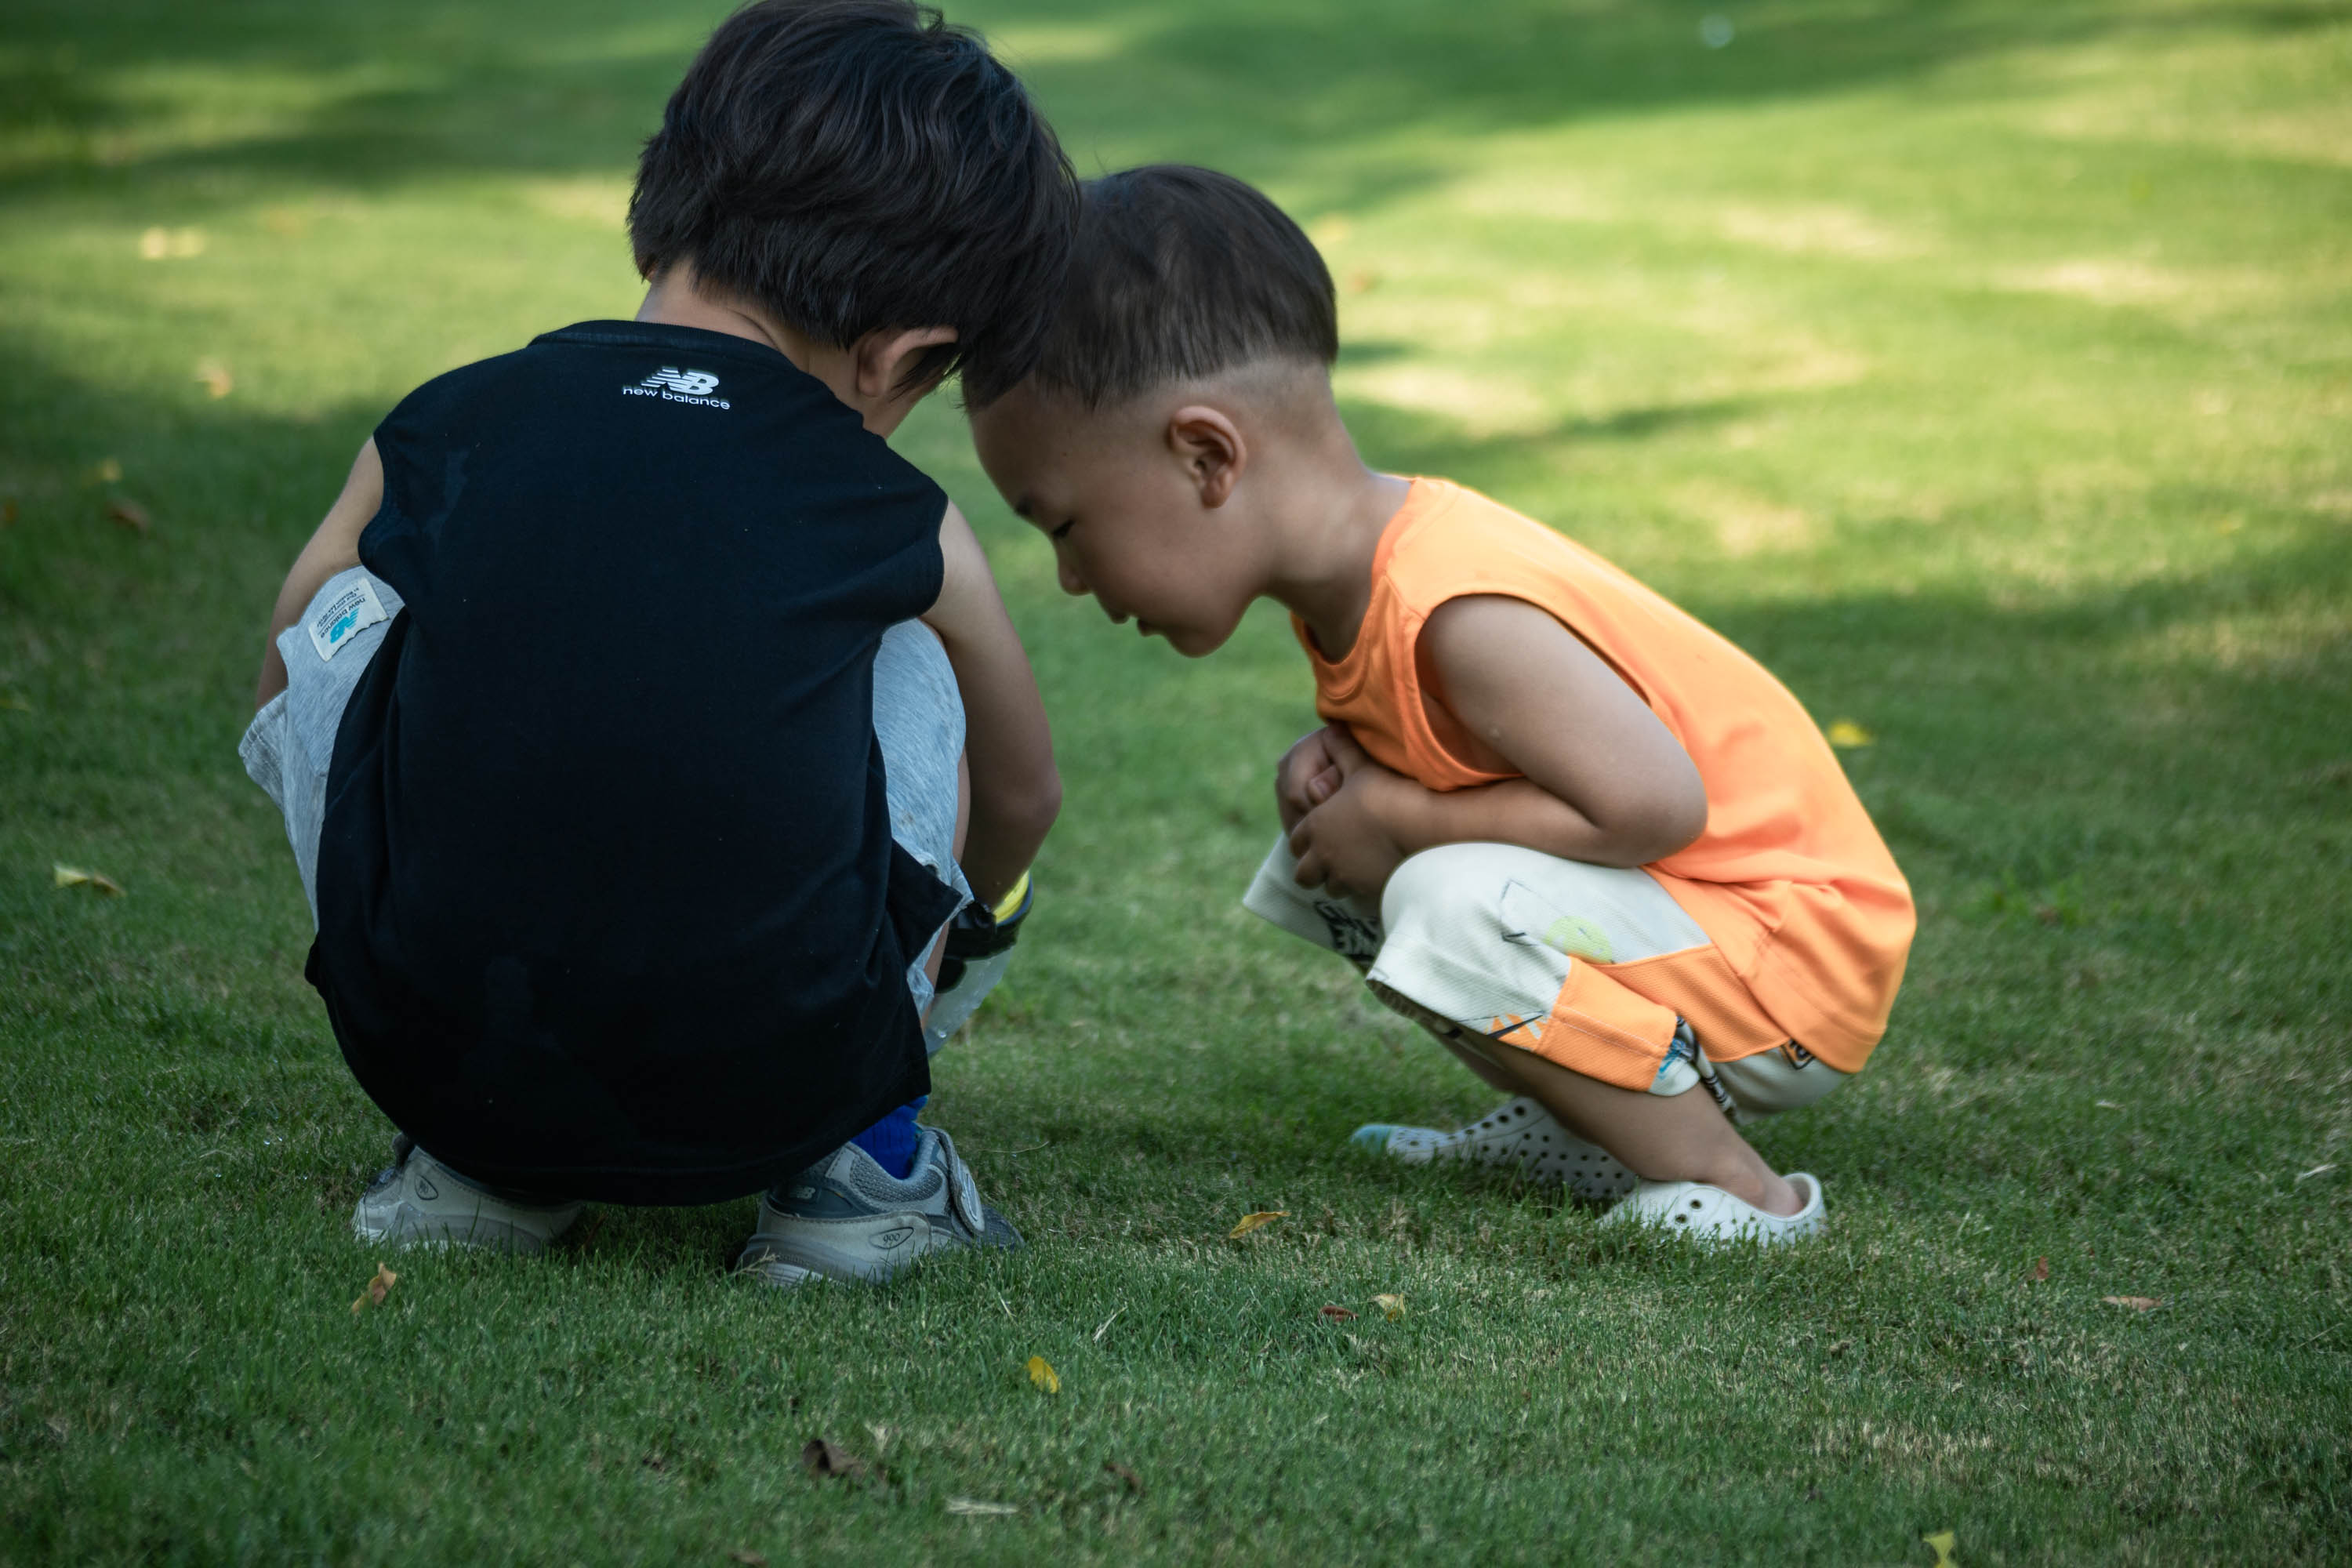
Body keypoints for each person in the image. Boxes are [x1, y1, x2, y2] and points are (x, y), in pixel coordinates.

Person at [239, 0, 1073, 1285]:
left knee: (347, 616)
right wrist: (939, 969)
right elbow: (1022, 795)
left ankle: (475, 1165)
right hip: (783, 1077)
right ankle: (861, 1170)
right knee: (912, 647)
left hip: (439, 1056)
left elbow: (284, 678)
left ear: (659, 213)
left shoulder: (448, 424)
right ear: (903, 357)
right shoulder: (893, 513)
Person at [966, 166, 1915, 1243]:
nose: (1070, 578)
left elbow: (1655, 807)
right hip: (1710, 927)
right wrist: (1359, 785)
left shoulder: (1458, 609)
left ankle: (1744, 1191)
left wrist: (1403, 815)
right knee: (1337, 845)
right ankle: (1595, 1125)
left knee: (1444, 895)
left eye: (1066, 526)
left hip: (1792, 954)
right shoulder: (1358, 587)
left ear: (1207, 457)